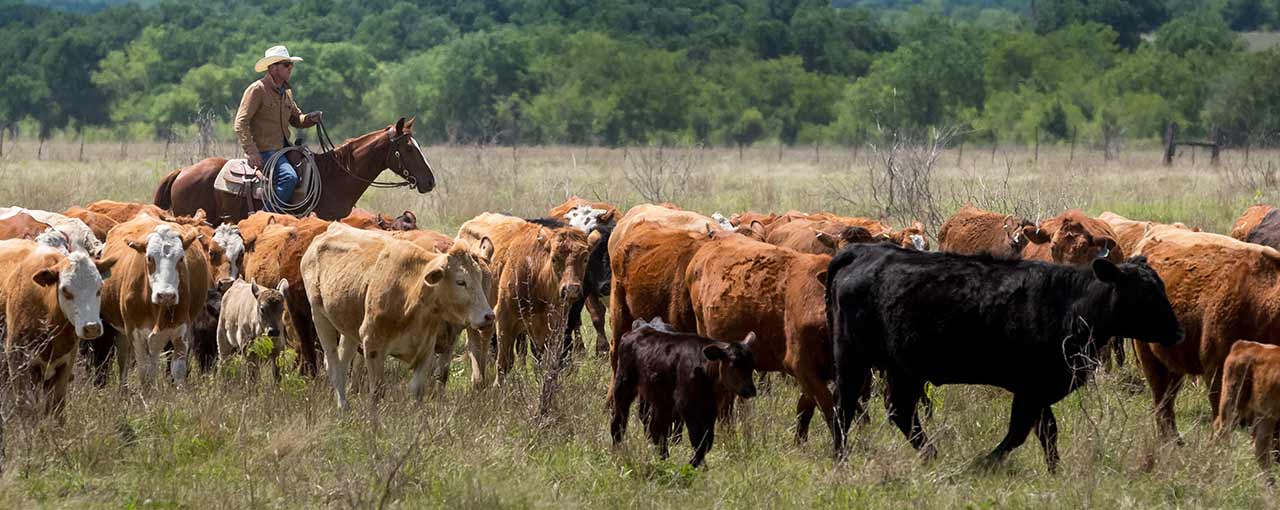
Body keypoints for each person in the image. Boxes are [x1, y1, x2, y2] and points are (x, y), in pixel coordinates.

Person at [234, 45, 322, 212]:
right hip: (265, 151)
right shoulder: (257, 90)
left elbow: (296, 119)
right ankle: (264, 217)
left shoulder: (286, 92)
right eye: (286, 65)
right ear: (273, 68)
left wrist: (310, 118)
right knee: (289, 177)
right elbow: (240, 123)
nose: (290, 68)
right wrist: (252, 152)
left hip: (284, 149)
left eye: (291, 65)